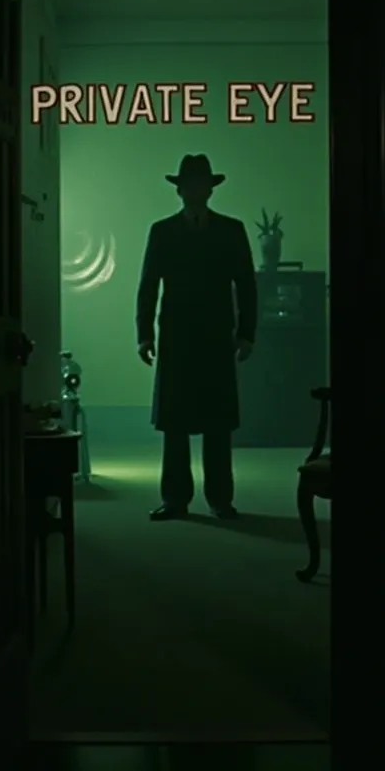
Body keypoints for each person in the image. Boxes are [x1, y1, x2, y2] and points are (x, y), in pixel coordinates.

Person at [136, 154, 259, 521]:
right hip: (177, 337)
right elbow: (148, 285)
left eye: (199, 184)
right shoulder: (162, 231)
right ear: (180, 190)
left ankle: (220, 499)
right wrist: (144, 334)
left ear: (208, 189)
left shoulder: (231, 230)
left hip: (215, 336)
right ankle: (176, 499)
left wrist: (247, 333)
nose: (194, 190)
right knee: (176, 423)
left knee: (217, 423)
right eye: (190, 184)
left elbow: (247, 285)